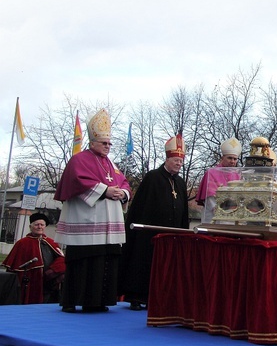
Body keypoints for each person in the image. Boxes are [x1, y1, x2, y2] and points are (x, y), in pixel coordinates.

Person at [54, 109, 130, 313]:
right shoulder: (79, 160)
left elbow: (124, 183)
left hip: (108, 222)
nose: (107, 147)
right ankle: (71, 300)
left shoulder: (111, 164)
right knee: (84, 261)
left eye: (109, 143)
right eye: (104, 143)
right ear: (93, 142)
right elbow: (77, 181)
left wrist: (122, 193)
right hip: (86, 221)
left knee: (105, 261)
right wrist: (105, 190)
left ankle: (97, 301)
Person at [120, 134, 190, 310]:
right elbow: (141, 207)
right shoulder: (153, 177)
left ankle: (162, 298)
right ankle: (137, 296)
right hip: (148, 233)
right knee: (144, 263)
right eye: (175, 160)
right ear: (167, 159)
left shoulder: (180, 183)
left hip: (172, 234)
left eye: (181, 161)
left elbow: (184, 210)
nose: (178, 164)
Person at [2, 212, 66, 304]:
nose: (39, 227)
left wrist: (53, 270)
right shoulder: (22, 243)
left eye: (42, 225)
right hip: (32, 281)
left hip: (49, 281)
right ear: (30, 227)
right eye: (36, 225)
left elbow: (62, 258)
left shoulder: (51, 242)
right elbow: (14, 266)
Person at [196, 137, 242, 223]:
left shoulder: (237, 175)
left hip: (232, 218)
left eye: (235, 159)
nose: (232, 161)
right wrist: (223, 211)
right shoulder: (211, 173)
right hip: (214, 217)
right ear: (222, 158)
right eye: (229, 158)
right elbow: (210, 199)